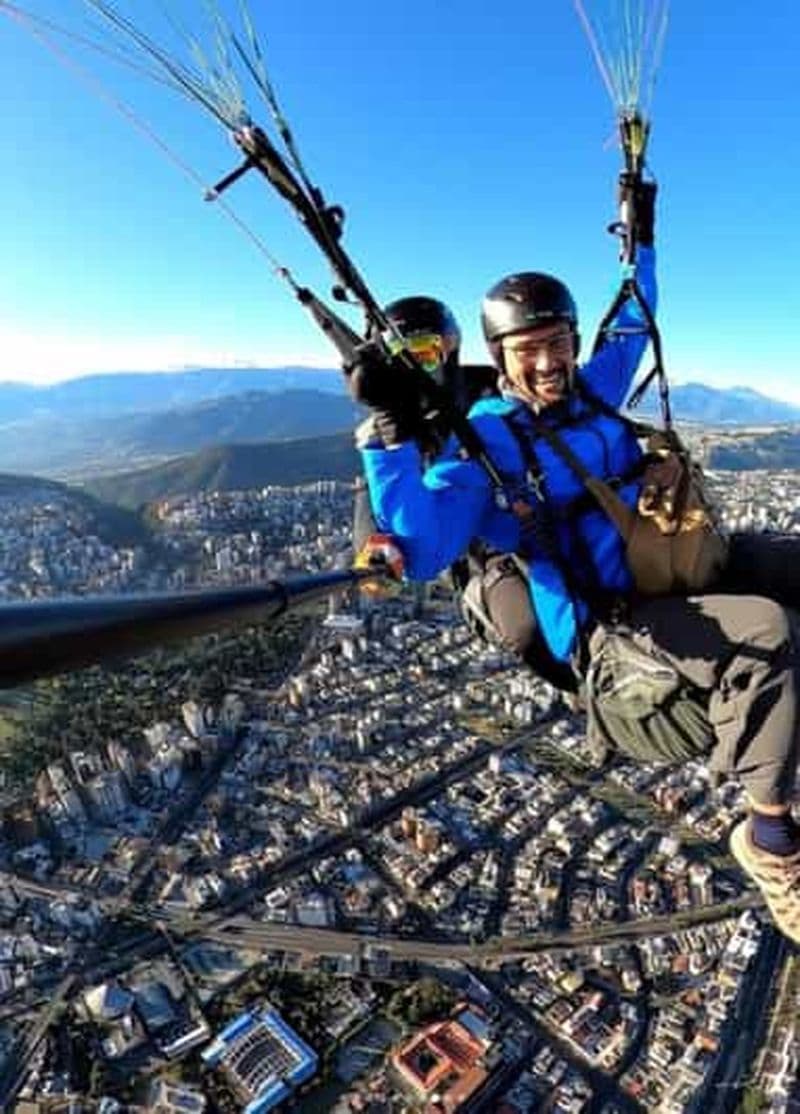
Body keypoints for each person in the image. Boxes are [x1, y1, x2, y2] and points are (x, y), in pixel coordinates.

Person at [348, 175, 800, 945]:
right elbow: (423, 548)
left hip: (670, 568)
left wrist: (640, 233)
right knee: (764, 633)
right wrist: (388, 433)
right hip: (609, 623)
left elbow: (633, 322)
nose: (550, 364)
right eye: (530, 352)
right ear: (500, 358)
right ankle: (772, 843)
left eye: (559, 345)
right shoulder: (485, 443)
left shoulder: (593, 395)